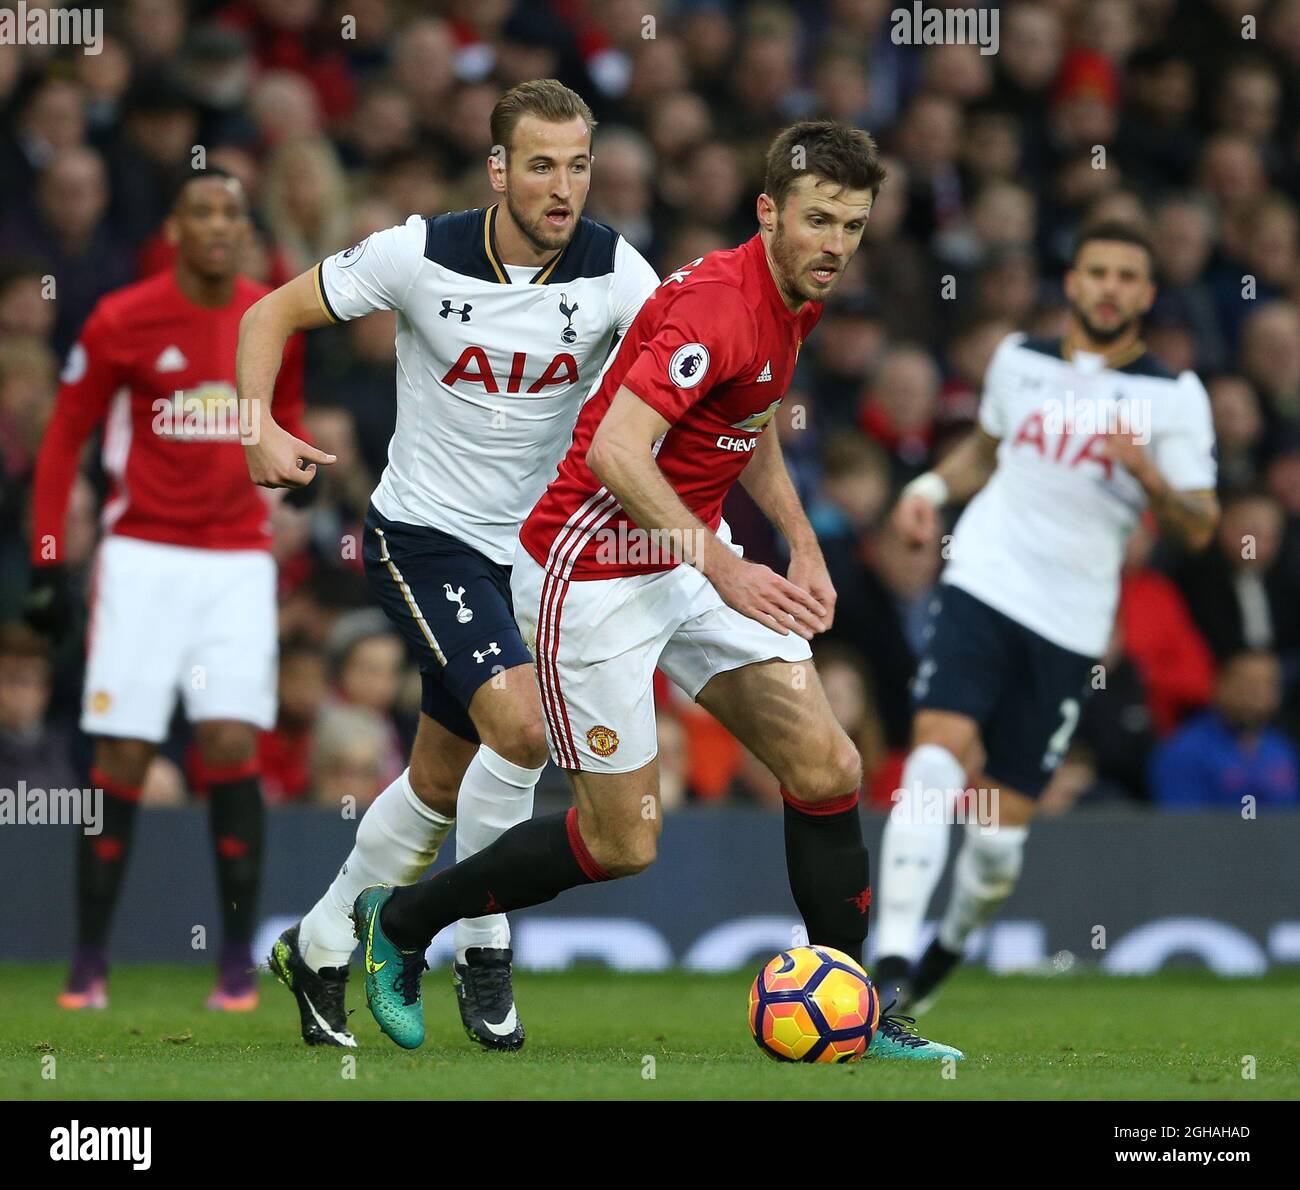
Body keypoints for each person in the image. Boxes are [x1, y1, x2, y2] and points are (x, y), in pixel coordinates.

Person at [356, 119, 964, 1062]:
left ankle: (853, 1011)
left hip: (688, 551)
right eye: (818, 221)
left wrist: (800, 542)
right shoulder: (715, 304)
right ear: (769, 212)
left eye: (852, 223)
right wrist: (724, 565)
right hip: (587, 570)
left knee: (829, 767)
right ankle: (399, 925)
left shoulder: (792, 298)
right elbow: (613, 450)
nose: (836, 244)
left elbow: (746, 416)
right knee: (623, 842)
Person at [237, 79, 659, 1050]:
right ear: (499, 169)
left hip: (531, 557)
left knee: (437, 778)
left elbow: (685, 380)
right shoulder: (416, 251)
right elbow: (269, 315)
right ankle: (481, 941)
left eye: (579, 165)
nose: (563, 187)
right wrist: (255, 423)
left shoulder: (616, 272)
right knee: (518, 726)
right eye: (542, 164)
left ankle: (319, 940)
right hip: (424, 537)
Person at [872, 221, 1220, 1014]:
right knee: (932, 761)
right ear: (1073, 282)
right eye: (1097, 271)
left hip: (1068, 624)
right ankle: (889, 958)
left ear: (1147, 294)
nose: (1109, 288)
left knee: (996, 840)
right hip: (984, 581)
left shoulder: (1173, 396)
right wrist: (927, 493)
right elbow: (986, 451)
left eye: (1127, 276)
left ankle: (938, 961)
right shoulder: (1019, 360)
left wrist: (1150, 479)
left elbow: (1201, 527)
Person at [26, 167, 307, 1011]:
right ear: (175, 230)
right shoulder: (123, 319)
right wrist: (46, 560)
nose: (220, 225)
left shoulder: (272, 317)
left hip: (236, 561)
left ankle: (232, 964)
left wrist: (303, 481)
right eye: (202, 211)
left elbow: (282, 425)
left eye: (233, 212)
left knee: (229, 743)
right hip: (141, 557)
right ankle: (88, 960)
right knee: (124, 753)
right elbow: (63, 438)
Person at [1151, 650, 1298, 810]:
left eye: (1267, 684)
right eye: (1246, 683)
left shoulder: (1283, 748)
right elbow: (1185, 828)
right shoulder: (1184, 752)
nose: (1255, 694)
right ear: (1220, 685)